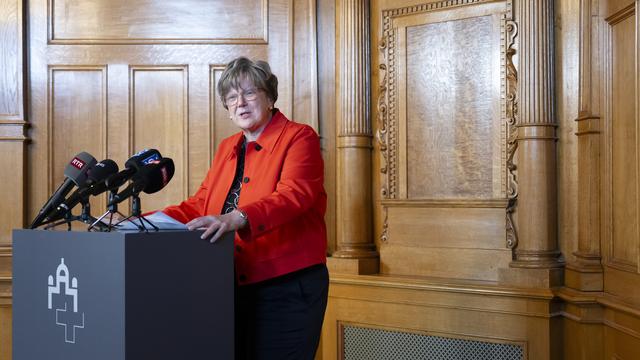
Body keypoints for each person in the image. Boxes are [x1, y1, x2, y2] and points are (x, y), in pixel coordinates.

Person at [161, 56, 328, 360]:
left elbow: (295, 195)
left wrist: (238, 217)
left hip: (287, 288)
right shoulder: (227, 147)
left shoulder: (299, 136)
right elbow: (201, 204)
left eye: (250, 93)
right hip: (230, 285)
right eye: (232, 97)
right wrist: (137, 222)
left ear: (269, 96)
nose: (241, 103)